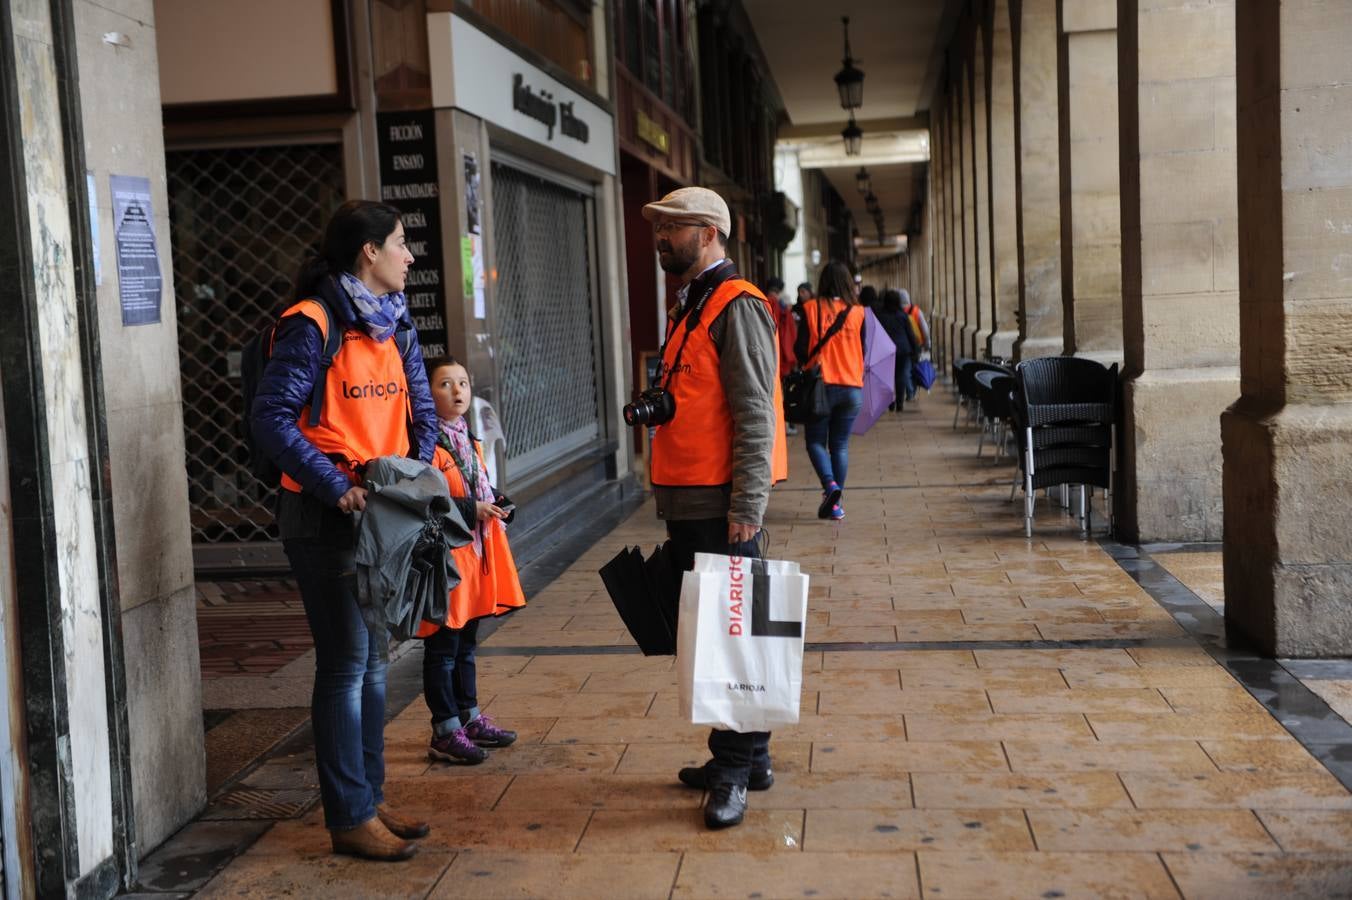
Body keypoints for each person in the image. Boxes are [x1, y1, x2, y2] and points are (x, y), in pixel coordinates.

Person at [252, 200, 439, 862]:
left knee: (375, 664)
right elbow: (272, 418)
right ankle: (349, 815)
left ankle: (368, 796)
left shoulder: (395, 324)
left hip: (385, 514)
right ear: (368, 252)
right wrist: (338, 487)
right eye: (400, 244)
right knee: (345, 665)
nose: (410, 257)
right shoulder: (312, 324)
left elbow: (421, 406)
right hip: (327, 516)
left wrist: (418, 476)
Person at [640, 186, 788, 829]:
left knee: (731, 640)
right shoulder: (693, 303)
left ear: (708, 232)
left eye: (672, 228)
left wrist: (747, 507)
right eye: (659, 228)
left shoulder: (737, 304)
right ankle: (748, 757)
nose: (660, 238)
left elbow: (757, 412)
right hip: (691, 499)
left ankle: (731, 774)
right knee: (717, 635)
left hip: (722, 502)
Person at [417, 356, 526, 765]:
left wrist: (499, 502)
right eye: (445, 384)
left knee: (465, 645)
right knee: (442, 647)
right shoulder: (424, 443)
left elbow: (476, 482)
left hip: (472, 560)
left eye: (462, 382)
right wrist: (471, 508)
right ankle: (445, 729)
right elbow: (425, 499)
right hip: (445, 561)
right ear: (427, 394)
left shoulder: (467, 437)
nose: (457, 391)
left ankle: (469, 717)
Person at [795, 261, 866, 521]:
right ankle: (835, 504)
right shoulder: (858, 312)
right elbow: (864, 349)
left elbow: (800, 349)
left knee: (815, 442)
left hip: (821, 386)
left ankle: (830, 486)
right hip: (851, 388)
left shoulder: (810, 309)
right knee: (840, 446)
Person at [764, 276, 799, 435]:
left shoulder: (765, 302)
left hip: (769, 353)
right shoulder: (781, 306)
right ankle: (785, 423)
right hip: (781, 355)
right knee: (783, 392)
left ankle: (779, 424)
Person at [877, 288, 920, 412]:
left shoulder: (880, 316)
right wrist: (915, 350)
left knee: (888, 377)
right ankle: (900, 403)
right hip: (902, 350)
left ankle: (891, 402)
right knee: (901, 376)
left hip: (885, 350)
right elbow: (910, 334)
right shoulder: (903, 315)